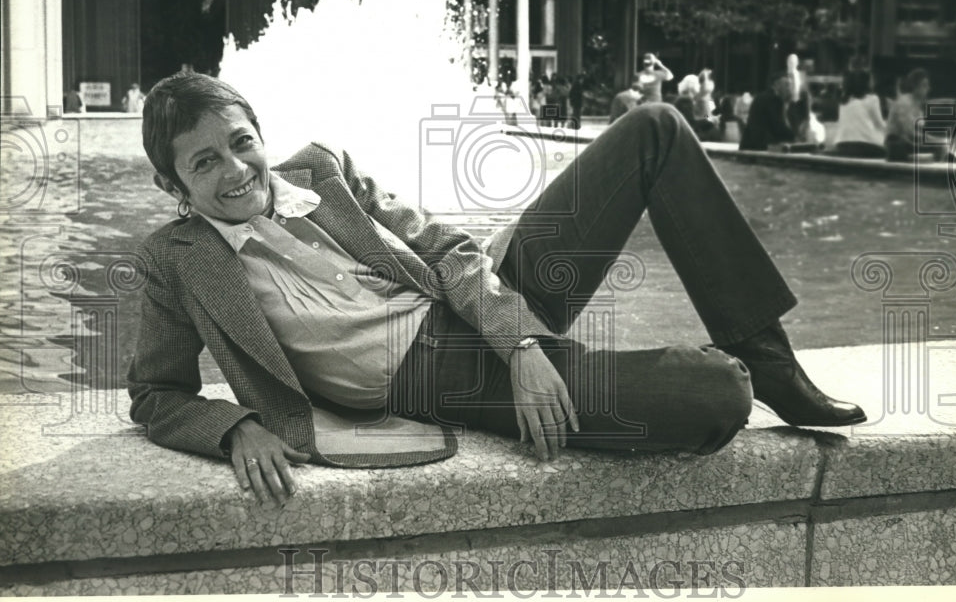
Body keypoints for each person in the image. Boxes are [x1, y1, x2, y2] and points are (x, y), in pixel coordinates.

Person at [129, 73, 864, 507]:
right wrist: (235, 428)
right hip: (436, 376)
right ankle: (717, 368)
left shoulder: (322, 169)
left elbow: (448, 247)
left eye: (241, 141)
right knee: (717, 395)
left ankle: (764, 348)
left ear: (260, 132)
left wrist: (519, 342)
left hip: (487, 297)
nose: (235, 170)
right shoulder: (176, 259)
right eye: (204, 162)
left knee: (655, 128)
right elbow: (155, 392)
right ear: (174, 186)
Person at [884, 68, 948, 161]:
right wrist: (934, 141)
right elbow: (909, 132)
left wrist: (938, 140)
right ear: (915, 87)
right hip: (896, 145)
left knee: (942, 147)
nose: (928, 89)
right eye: (924, 85)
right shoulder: (904, 102)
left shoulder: (918, 105)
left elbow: (919, 133)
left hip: (909, 143)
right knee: (939, 148)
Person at [830, 69, 887, 159]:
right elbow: (879, 124)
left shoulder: (843, 102)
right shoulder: (872, 99)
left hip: (842, 144)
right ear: (866, 83)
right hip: (866, 144)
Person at [739, 72, 799, 151]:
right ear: (777, 85)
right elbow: (778, 126)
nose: (789, 88)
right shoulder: (774, 100)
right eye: (786, 85)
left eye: (790, 85)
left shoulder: (761, 97)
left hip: (749, 144)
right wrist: (794, 137)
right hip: (762, 146)